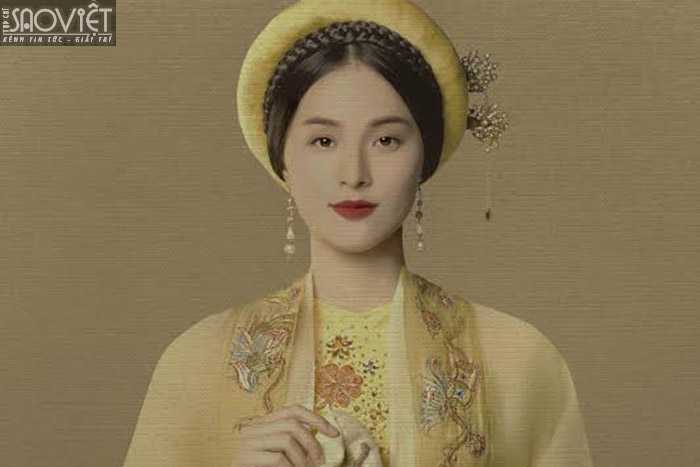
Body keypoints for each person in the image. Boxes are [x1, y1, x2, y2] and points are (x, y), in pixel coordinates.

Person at [122, 1, 594, 466]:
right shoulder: (198, 361)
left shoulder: (516, 359)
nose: (354, 173)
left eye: (386, 140)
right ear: (283, 159)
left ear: (424, 158)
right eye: (324, 140)